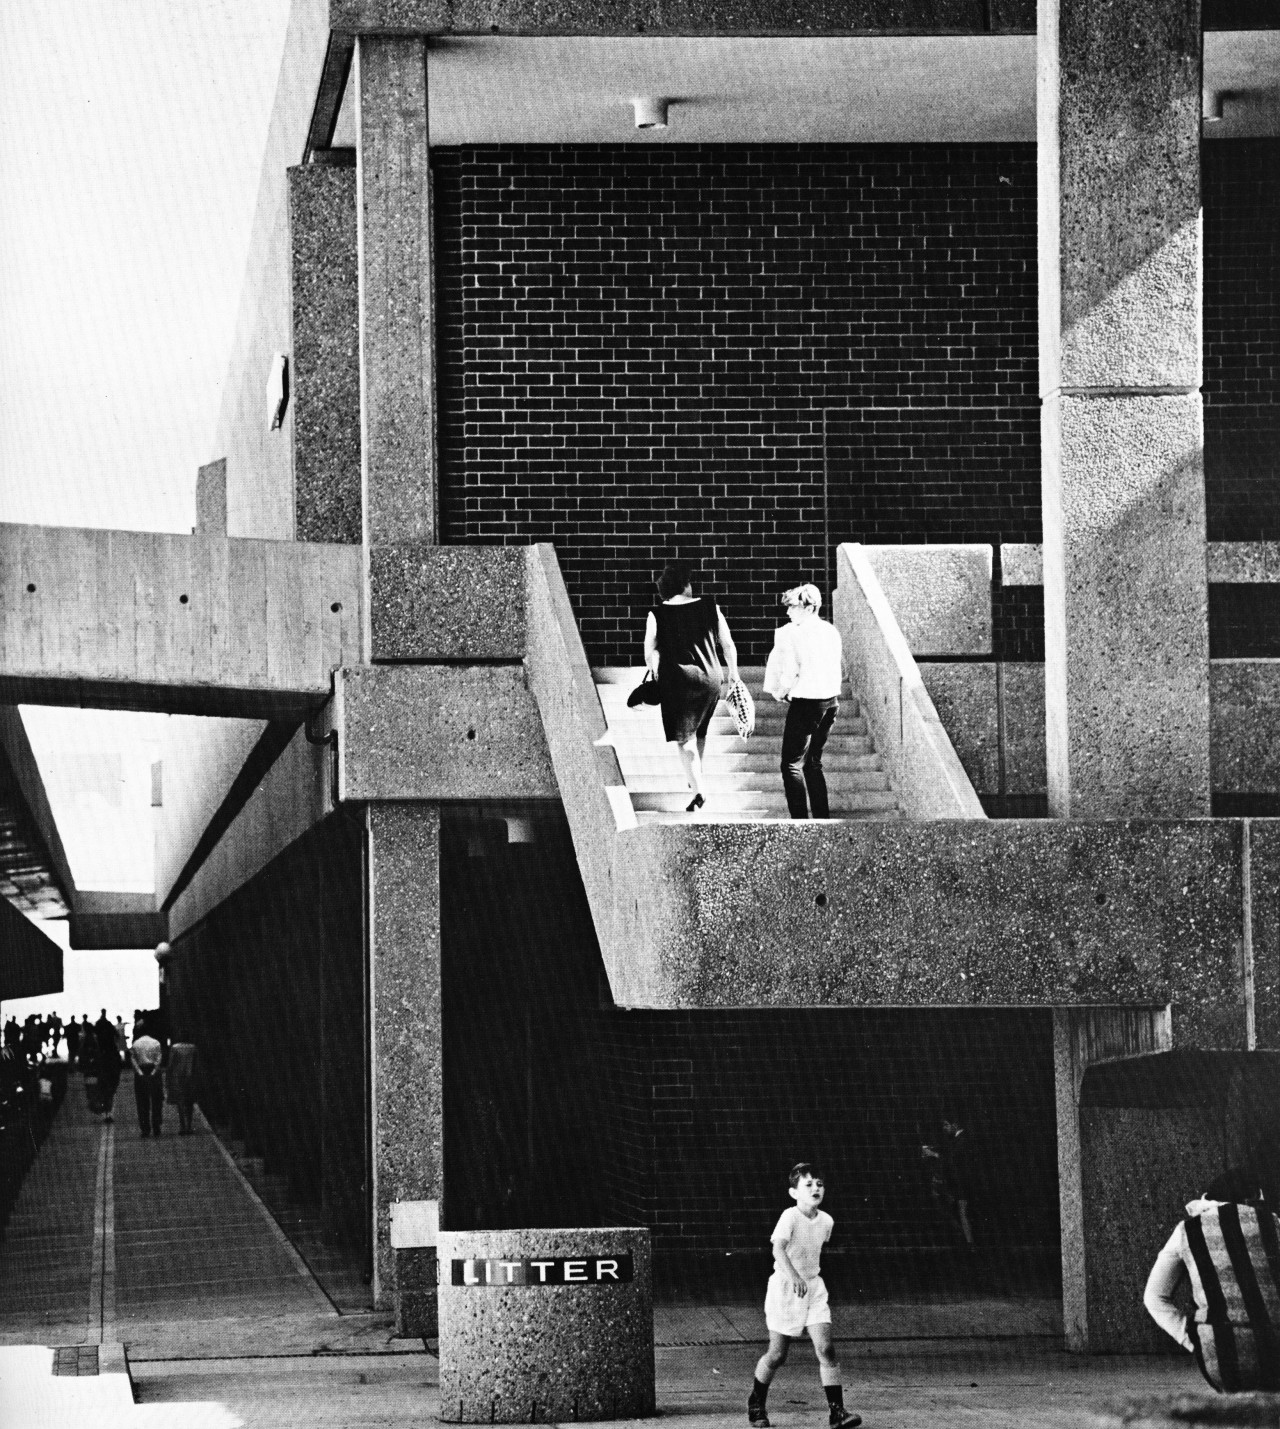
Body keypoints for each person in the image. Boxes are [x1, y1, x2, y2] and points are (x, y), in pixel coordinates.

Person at [1143, 1166, 1280, 1392]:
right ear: (1252, 1197)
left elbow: (1154, 1297)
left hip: (1220, 1360)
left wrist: (1195, 1343)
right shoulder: (1272, 1223)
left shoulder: (1186, 1230)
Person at [747, 1164, 862, 1429]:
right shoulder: (789, 1216)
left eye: (819, 1184)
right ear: (793, 1192)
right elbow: (778, 1250)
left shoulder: (827, 1221)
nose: (815, 1189)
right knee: (777, 1355)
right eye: (808, 1184)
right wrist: (795, 1277)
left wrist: (806, 1278)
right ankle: (756, 1402)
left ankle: (837, 1412)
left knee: (826, 1348)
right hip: (785, 1289)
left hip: (813, 1288)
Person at [642, 559, 740, 812]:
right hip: (711, 678)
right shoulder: (711, 607)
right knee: (700, 731)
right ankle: (696, 776)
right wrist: (734, 676)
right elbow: (728, 644)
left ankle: (698, 790)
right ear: (684, 585)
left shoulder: (657, 613)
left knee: (684, 738)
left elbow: (650, 651)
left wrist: (654, 670)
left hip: (678, 680)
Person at [763, 584, 843, 820]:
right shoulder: (830, 631)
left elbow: (791, 671)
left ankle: (799, 821)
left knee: (790, 764)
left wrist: (780, 691)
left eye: (793, 606)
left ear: (809, 607)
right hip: (830, 702)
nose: (788, 612)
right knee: (813, 763)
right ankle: (822, 818)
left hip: (807, 702)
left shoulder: (795, 633)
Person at [131, 1027, 164, 1137]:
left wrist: (139, 1072)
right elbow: (159, 1059)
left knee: (142, 1102)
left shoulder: (136, 1043)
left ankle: (145, 1129)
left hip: (141, 1071)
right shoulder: (156, 1043)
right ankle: (156, 1127)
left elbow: (133, 1060)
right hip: (153, 1071)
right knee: (156, 1101)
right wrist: (154, 1071)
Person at [93, 1010, 121, 1122]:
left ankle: (105, 1112)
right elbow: (117, 1036)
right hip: (112, 1059)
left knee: (103, 1088)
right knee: (111, 1089)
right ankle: (108, 1113)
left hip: (102, 1059)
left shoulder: (98, 1024)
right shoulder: (109, 1024)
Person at [167, 1037, 197, 1135]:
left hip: (178, 1077)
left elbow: (170, 1064)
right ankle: (189, 1125)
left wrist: (168, 1078)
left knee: (180, 1102)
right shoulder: (193, 1047)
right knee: (190, 1102)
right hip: (190, 1076)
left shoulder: (175, 1047)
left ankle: (183, 1126)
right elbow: (196, 1063)